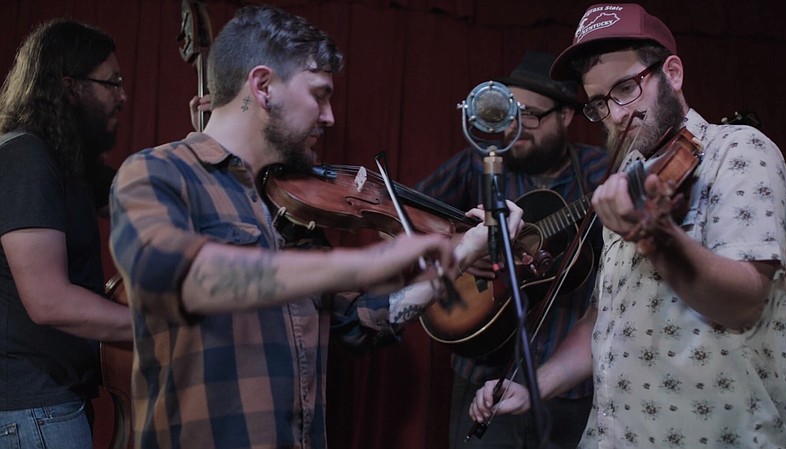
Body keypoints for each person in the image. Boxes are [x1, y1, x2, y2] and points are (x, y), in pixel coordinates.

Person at [109, 5, 522, 449]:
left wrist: (462, 253)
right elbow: (177, 277)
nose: (329, 117)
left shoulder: (291, 208)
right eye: (319, 94)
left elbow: (365, 322)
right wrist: (365, 262)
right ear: (263, 87)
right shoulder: (157, 173)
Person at [470, 4, 786, 448]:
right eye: (599, 103)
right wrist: (533, 384)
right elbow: (604, 318)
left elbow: (744, 304)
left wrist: (654, 237)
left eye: (625, 88)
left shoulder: (738, 151)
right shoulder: (627, 177)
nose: (616, 115)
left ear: (673, 73)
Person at [416, 51, 609, 448]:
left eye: (532, 116)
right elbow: (402, 221)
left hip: (568, 380)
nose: (518, 127)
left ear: (567, 116)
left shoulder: (600, 171)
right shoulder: (481, 164)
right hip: (483, 373)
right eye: (512, 113)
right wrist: (461, 250)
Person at [0, 19, 133, 448]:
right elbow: (48, 301)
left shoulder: (66, 162)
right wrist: (161, 328)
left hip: (48, 406)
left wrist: (208, 140)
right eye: (111, 83)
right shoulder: (27, 158)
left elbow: (152, 207)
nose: (122, 97)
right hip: (32, 410)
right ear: (70, 86)